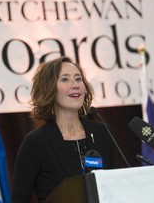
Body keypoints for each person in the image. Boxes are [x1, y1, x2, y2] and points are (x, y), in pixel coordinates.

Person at [11, 56, 116, 203]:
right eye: (65, 79)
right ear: (49, 89)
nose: (75, 85)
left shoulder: (103, 132)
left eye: (78, 79)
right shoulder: (36, 142)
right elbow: (19, 199)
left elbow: (116, 185)